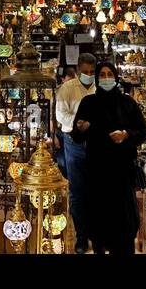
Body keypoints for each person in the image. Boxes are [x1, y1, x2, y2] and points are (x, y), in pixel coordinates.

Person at [70, 60, 146, 255]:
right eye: (102, 75)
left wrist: (126, 135)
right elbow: (76, 136)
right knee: (99, 225)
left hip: (122, 173)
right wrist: (81, 129)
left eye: (109, 74)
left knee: (124, 227)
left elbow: (143, 132)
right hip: (97, 173)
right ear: (97, 79)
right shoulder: (89, 103)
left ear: (116, 76)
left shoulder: (127, 103)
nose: (106, 78)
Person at [54, 52, 96, 251]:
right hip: (74, 143)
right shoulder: (67, 89)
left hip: (97, 144)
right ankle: (81, 236)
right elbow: (61, 115)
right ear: (78, 70)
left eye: (92, 72)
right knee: (78, 191)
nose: (89, 75)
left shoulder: (100, 89)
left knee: (96, 190)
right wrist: (80, 124)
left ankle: (96, 234)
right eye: (85, 72)